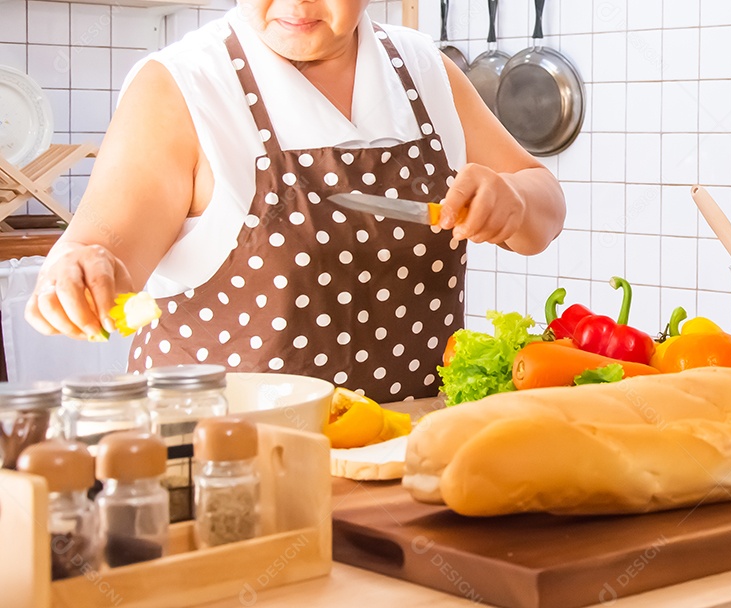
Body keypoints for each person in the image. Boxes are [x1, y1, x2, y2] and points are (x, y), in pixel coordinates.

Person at [24, 0, 565, 402]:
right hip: (224, 467)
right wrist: (79, 269)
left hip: (406, 460)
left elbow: (544, 209)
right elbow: (104, 249)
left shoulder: (423, 70)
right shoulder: (185, 85)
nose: (297, 2)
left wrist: (515, 200)